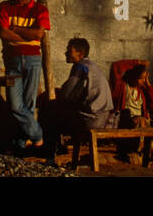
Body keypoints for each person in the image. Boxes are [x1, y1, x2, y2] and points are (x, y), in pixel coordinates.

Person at [0, 0, 49, 151]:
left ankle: (20, 144)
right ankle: (38, 134)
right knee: (15, 104)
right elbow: (3, 33)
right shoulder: (4, 7)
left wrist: (15, 29)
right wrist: (26, 34)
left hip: (33, 60)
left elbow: (39, 34)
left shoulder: (41, 10)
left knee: (29, 102)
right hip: (12, 60)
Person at [43, 37, 112, 165]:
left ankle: (50, 157)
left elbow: (67, 93)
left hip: (92, 118)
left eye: (69, 51)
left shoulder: (80, 67)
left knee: (51, 114)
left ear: (80, 54)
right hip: (102, 116)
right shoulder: (90, 66)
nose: (66, 53)